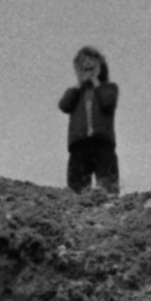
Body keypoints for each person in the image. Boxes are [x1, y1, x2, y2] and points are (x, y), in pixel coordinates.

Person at [57, 47, 120, 193]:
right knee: (76, 190)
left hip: (103, 144)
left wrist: (96, 81)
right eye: (83, 63)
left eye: (92, 63)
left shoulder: (109, 88)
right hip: (79, 145)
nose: (87, 66)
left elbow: (107, 103)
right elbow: (64, 105)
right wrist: (79, 83)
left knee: (108, 188)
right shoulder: (74, 92)